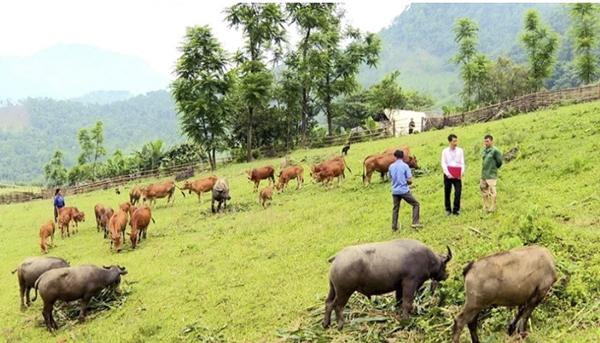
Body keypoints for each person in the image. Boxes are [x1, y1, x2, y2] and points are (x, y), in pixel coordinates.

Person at [389, 150, 422, 231]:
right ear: (402, 157)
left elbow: (391, 177)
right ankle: (415, 222)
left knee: (395, 209)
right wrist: (407, 182)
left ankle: (394, 227)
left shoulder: (391, 166)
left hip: (395, 191)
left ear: (395, 157)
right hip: (404, 190)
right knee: (416, 204)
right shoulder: (405, 166)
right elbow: (410, 180)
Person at [441, 134, 465, 216]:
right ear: (450, 141)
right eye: (454, 141)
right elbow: (443, 163)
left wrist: (461, 173)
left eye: (456, 141)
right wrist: (447, 173)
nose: (455, 143)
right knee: (447, 192)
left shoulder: (460, 151)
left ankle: (456, 209)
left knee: (458, 191)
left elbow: (462, 162)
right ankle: (448, 209)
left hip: (457, 174)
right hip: (448, 174)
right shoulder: (445, 151)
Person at [481, 134, 503, 212]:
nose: (486, 143)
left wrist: (494, 167)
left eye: (487, 141)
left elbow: (499, 161)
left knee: (492, 190)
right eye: (485, 141)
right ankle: (486, 205)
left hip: (491, 174)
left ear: (491, 141)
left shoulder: (495, 151)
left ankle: (493, 206)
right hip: (484, 174)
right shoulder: (485, 151)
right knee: (483, 189)